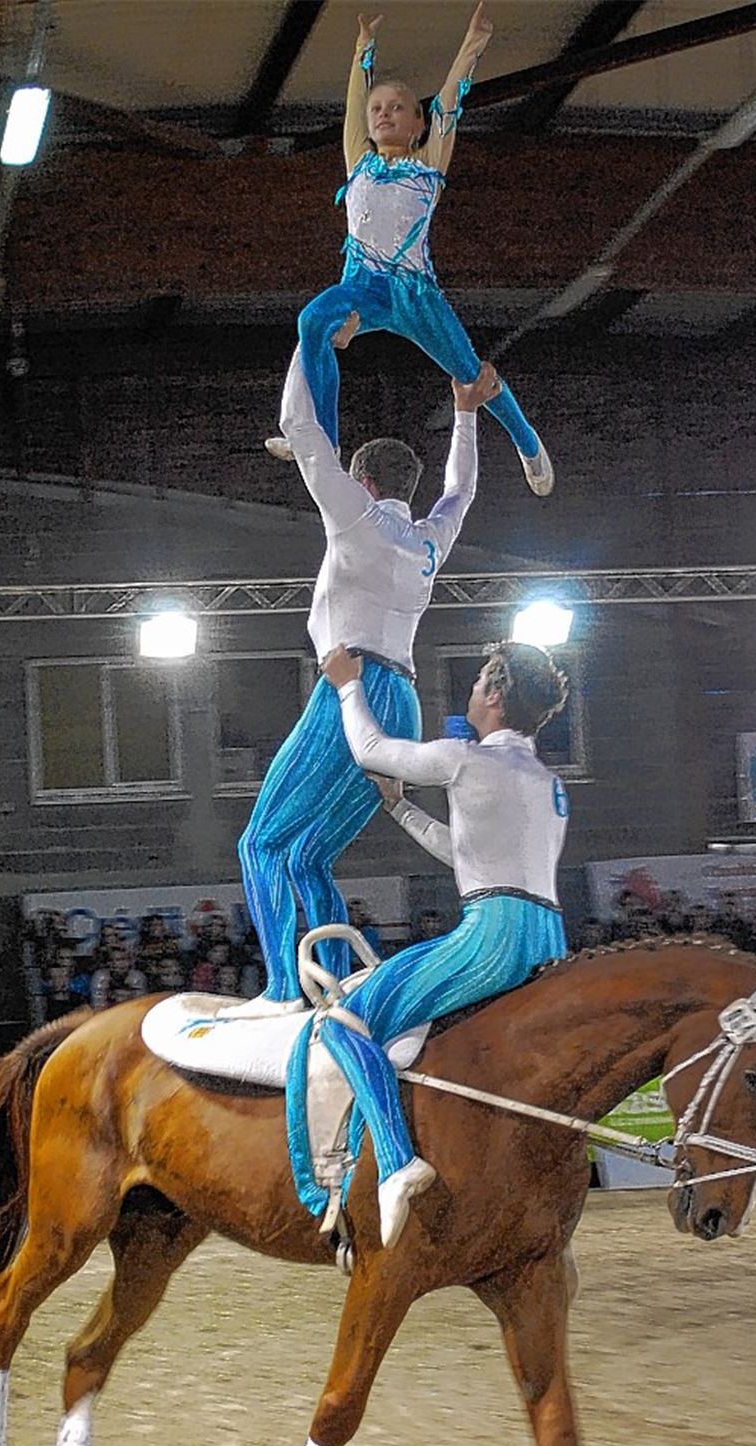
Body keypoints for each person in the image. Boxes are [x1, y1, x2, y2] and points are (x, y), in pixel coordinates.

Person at [229, 348, 494, 1018]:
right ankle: (336, 989)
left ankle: (283, 991)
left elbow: (301, 422)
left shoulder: (355, 515)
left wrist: (311, 335)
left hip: (354, 686)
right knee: (308, 857)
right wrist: (465, 413)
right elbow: (461, 491)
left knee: (261, 843)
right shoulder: (429, 539)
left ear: (364, 483)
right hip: (403, 700)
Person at [314, 638, 570, 1248]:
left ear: (496, 697)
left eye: (479, 682)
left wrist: (347, 685)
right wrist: (399, 810)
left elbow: (370, 749)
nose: (472, 692)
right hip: (549, 935)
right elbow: (467, 856)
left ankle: (396, 1161)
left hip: (493, 935)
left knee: (342, 1025)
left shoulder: (465, 758)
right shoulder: (547, 782)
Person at [264, 4, 553, 498]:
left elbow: (450, 101)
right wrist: (362, 49)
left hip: (415, 294)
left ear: (419, 122)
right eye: (378, 108)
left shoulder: (428, 165)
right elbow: (354, 105)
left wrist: (472, 44)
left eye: (397, 107)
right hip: (361, 286)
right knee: (312, 321)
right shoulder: (358, 161)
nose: (383, 113)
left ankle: (528, 443)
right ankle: (326, 441)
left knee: (471, 375)